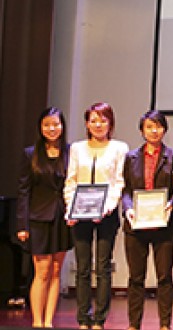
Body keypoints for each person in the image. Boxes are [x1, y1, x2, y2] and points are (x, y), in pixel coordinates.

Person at [63, 102, 128, 329]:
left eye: (102, 120)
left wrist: (106, 208)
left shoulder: (119, 148)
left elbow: (119, 182)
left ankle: (100, 318)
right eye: (93, 120)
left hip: (106, 214)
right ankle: (83, 317)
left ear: (110, 123)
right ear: (86, 124)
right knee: (82, 267)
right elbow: (71, 180)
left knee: (102, 267)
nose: (98, 125)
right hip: (79, 214)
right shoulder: (77, 148)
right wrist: (70, 208)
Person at [121, 110, 173, 330]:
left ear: (164, 129)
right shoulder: (131, 157)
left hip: (164, 225)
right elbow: (126, 190)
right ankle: (134, 324)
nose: (154, 131)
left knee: (164, 276)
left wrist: (172, 203)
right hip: (136, 224)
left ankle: (165, 324)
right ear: (141, 130)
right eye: (149, 127)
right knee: (136, 277)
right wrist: (128, 209)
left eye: (158, 126)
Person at [16, 107, 72, 328]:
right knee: (41, 271)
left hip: (63, 218)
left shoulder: (70, 152)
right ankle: (37, 322)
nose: (52, 129)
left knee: (57, 271)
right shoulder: (30, 154)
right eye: (47, 124)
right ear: (40, 127)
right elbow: (23, 191)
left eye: (56, 124)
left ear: (62, 126)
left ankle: (49, 322)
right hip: (37, 218)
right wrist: (22, 224)